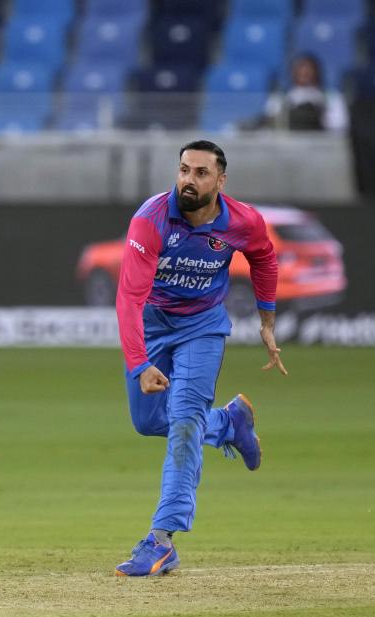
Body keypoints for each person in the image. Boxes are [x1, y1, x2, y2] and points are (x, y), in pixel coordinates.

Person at [113, 140, 287, 577]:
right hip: (152, 325)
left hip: (202, 328)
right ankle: (229, 423)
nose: (189, 180)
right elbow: (129, 299)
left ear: (220, 180)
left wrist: (267, 321)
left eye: (201, 173)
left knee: (185, 420)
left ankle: (161, 540)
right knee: (150, 421)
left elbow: (264, 256)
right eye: (184, 170)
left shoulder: (242, 220)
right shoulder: (150, 220)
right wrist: (139, 364)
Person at [264, 53, 347, 131]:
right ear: (293, 72)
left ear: (317, 71)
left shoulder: (332, 98)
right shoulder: (278, 99)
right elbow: (271, 125)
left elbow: (339, 125)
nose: (305, 73)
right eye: (301, 69)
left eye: (309, 70)